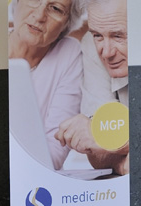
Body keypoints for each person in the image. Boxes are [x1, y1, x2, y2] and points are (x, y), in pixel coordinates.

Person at [9, 0, 86, 170]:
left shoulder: (69, 54)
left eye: (55, 9)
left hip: (31, 177)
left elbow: (56, 147)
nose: (39, 16)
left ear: (67, 23)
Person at [55, 0, 129, 175]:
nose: (107, 52)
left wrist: (109, 141)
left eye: (118, 36)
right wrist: (126, 163)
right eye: (97, 35)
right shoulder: (91, 45)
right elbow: (97, 155)